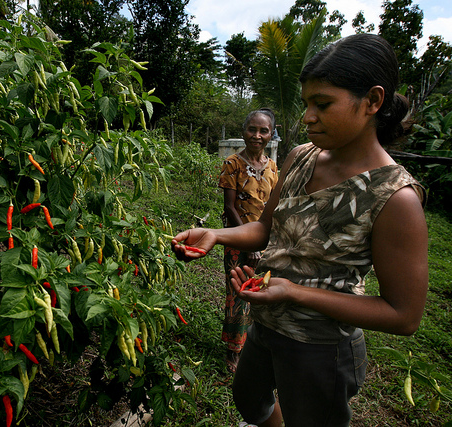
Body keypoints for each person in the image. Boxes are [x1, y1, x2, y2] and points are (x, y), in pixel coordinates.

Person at [172, 33, 428, 427]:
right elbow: (264, 229)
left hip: (322, 348)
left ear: (373, 102)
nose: (308, 116)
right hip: (267, 324)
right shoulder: (300, 158)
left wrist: (293, 292)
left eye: (322, 104)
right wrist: (216, 235)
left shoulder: (395, 198)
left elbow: (403, 316)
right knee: (249, 400)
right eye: (307, 102)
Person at [218, 109, 278, 373]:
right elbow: (230, 208)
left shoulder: (273, 167)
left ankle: (258, 345)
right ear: (243, 131)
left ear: (270, 134)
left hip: (266, 243)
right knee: (238, 295)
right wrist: (248, 243)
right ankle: (233, 350)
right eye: (252, 129)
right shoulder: (233, 163)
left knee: (264, 293)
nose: (257, 136)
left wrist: (265, 243)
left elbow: (274, 208)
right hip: (238, 239)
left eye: (263, 131)